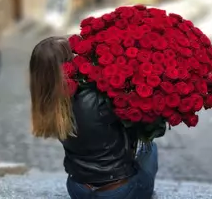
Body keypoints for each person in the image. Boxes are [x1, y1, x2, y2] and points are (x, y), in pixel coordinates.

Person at [29, 36, 158, 199]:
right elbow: (135, 128)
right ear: (69, 63)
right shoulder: (97, 97)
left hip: (78, 189)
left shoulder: (46, 102)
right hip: (118, 191)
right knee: (149, 146)